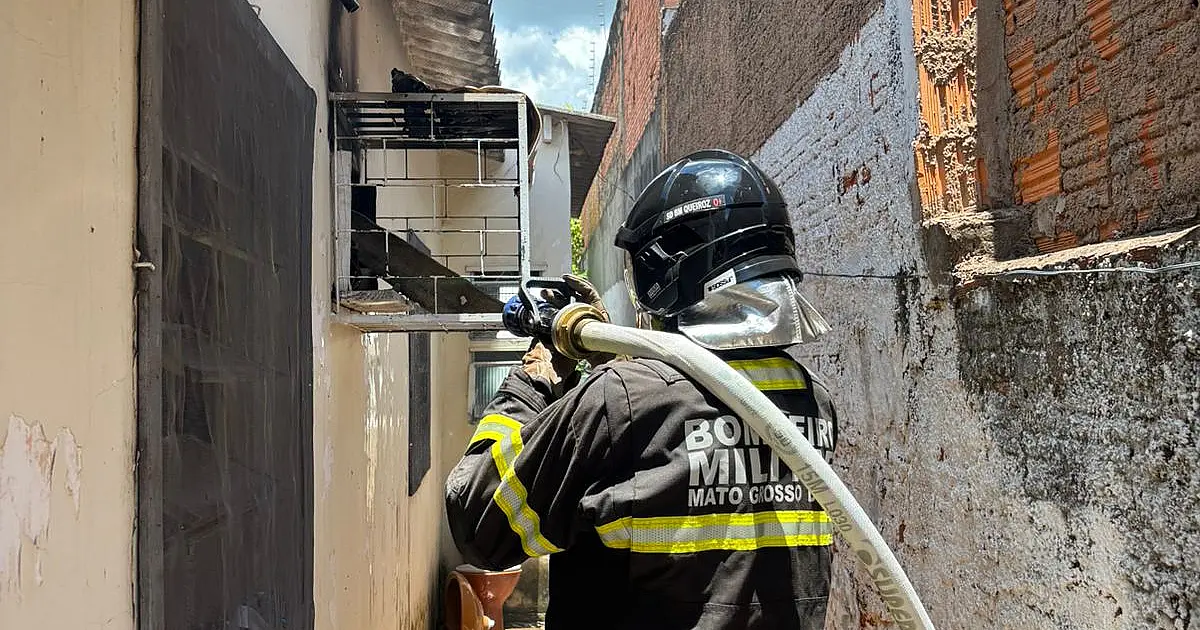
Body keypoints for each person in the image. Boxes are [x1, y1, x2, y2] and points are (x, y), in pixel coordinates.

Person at [445, 149, 840, 630]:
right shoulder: (811, 401)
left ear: (667, 271)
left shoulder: (622, 401)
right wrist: (621, 373)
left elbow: (477, 523)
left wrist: (537, 378)